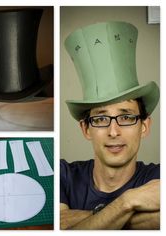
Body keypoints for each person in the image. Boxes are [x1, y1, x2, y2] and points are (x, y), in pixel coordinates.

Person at [60, 21, 160, 230]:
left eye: (126, 117)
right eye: (101, 119)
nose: (113, 131)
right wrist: (127, 203)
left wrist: (87, 218)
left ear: (144, 126)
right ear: (86, 129)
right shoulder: (63, 174)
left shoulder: (159, 178)